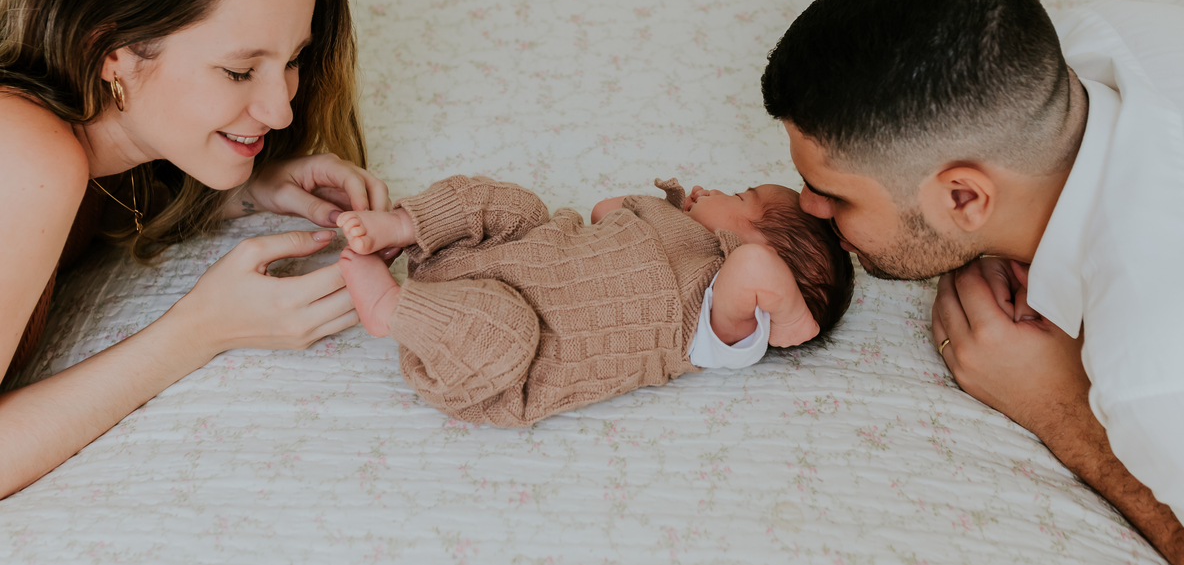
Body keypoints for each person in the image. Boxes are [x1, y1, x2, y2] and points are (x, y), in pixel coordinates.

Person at [760, 0, 1184, 565]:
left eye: (837, 196)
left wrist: (1060, 410)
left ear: (965, 197)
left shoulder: (1157, 370)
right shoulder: (1111, 30)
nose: (809, 208)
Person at [0, 0, 393, 499]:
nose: (281, 110)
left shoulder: (77, 140)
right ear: (112, 53)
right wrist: (201, 329)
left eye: (292, 59)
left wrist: (241, 188)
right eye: (240, 71)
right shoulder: (27, 149)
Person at [333, 175, 853, 426]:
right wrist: (667, 212)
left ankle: (390, 310)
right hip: (498, 257)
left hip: (490, 361)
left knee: (506, 326)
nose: (713, 188)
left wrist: (790, 319)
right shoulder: (680, 232)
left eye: (740, 199)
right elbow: (604, 211)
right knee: (521, 205)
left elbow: (754, 270)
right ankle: (404, 225)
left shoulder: (724, 323)